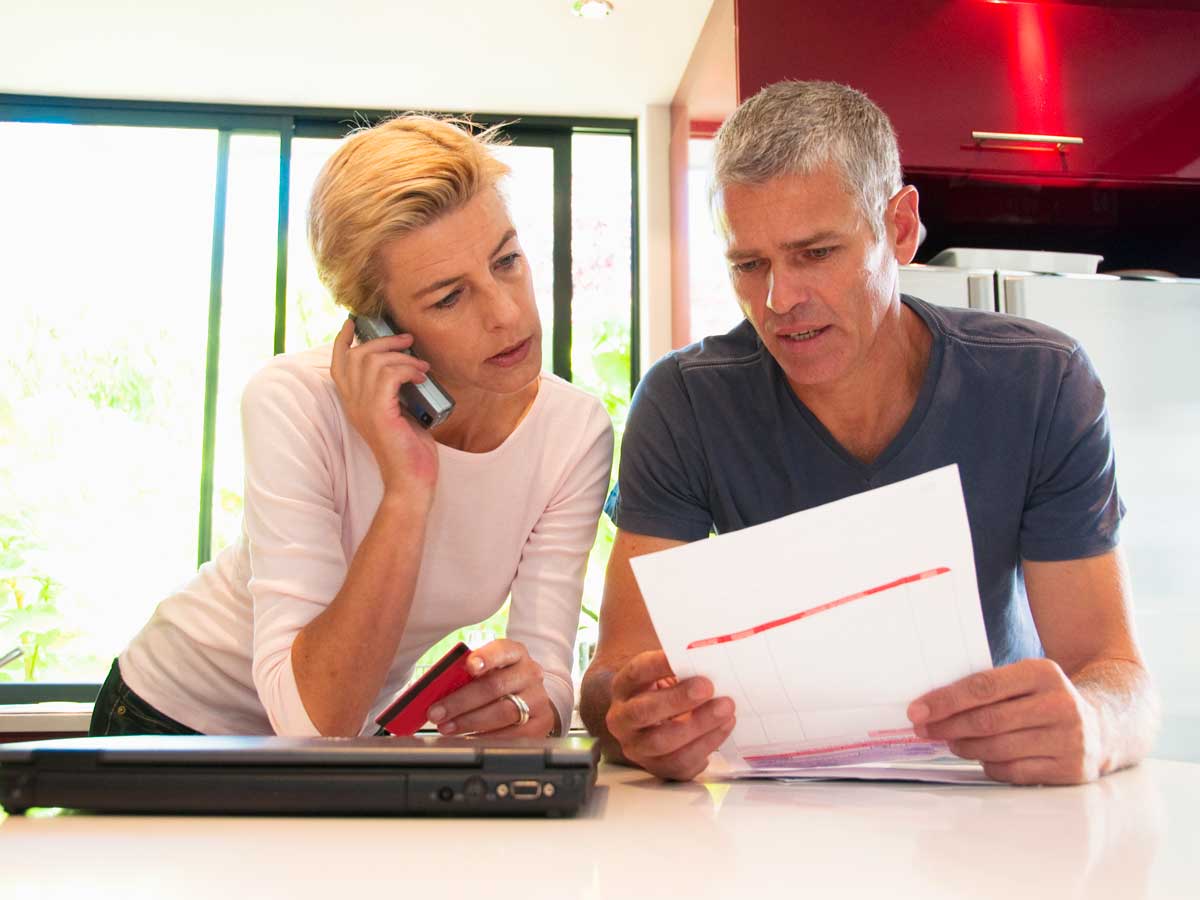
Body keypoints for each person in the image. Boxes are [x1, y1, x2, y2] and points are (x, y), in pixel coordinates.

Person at [579, 81, 1159, 785]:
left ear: (901, 228)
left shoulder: (1041, 382)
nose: (779, 301)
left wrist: (1095, 724)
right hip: (780, 815)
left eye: (816, 253)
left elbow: (1115, 671)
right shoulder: (684, 401)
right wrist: (631, 718)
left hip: (997, 796)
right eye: (748, 263)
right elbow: (614, 675)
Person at [90, 115, 613, 738]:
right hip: (170, 718)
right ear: (379, 327)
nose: (506, 314)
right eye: (449, 298)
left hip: (345, 739)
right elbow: (310, 722)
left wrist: (528, 703)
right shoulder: (294, 401)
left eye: (507, 261)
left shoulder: (575, 430)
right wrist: (407, 485)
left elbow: (550, 676)